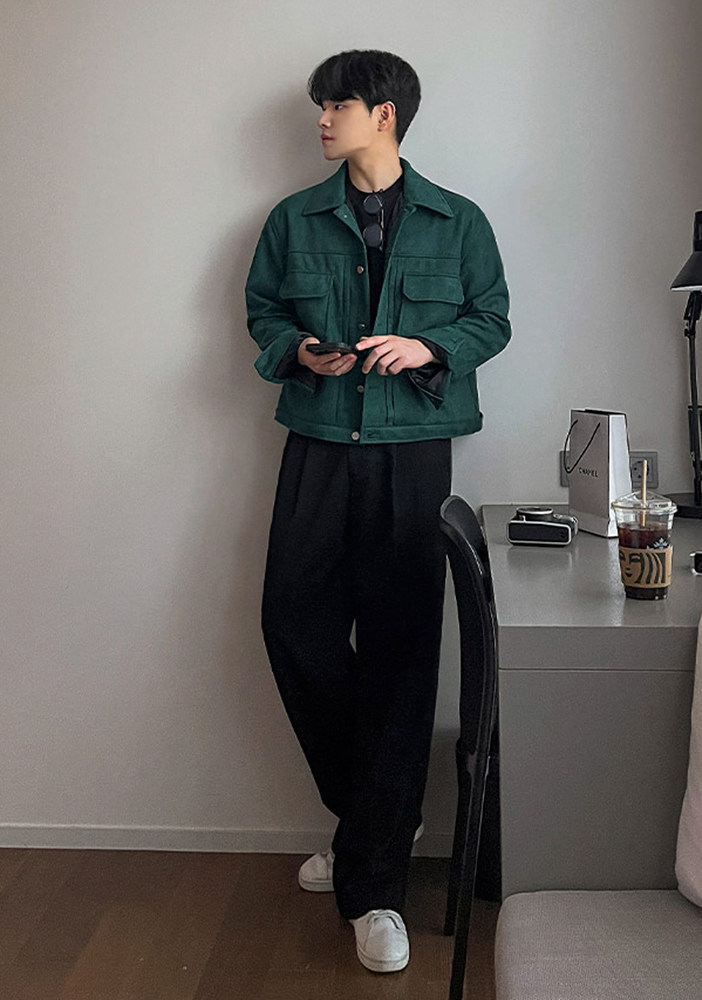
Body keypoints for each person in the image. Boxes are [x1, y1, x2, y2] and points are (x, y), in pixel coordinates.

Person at [244, 49, 510, 974]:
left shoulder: (458, 220)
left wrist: (427, 346)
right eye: (321, 105)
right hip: (318, 443)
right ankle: (375, 817)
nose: (322, 118)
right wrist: (299, 351)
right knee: (291, 623)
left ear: (384, 114)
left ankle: (374, 886)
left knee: (401, 649)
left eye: (337, 104)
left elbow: (492, 318)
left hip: (412, 451)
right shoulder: (292, 219)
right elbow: (263, 312)